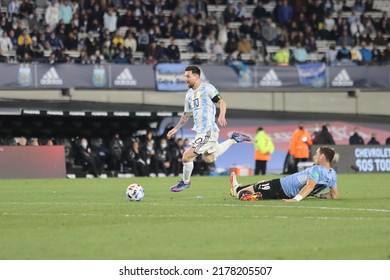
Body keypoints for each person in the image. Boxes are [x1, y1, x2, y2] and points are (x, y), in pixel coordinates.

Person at [167, 65, 251, 192]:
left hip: (208, 131)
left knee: (186, 157)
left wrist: (222, 115)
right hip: (200, 132)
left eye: (188, 76)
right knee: (209, 158)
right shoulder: (189, 94)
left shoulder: (207, 88)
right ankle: (233, 140)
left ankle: (185, 182)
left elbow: (222, 102)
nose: (186, 79)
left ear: (196, 76)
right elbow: (186, 115)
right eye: (185, 77)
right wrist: (176, 129)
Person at [230, 146, 338, 202]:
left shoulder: (317, 169)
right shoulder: (332, 174)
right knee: (262, 183)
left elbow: (309, 186)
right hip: (285, 190)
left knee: (248, 190)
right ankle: (237, 187)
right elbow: (334, 195)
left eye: (316, 154)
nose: (314, 156)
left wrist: (296, 199)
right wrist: (317, 195)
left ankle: (240, 192)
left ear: (322, 157)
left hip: (281, 186)